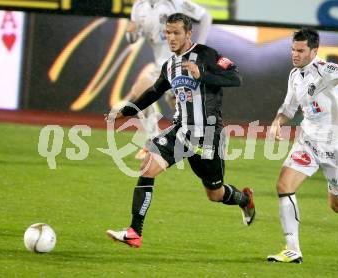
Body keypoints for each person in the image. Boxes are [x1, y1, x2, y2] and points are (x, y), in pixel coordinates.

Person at [105, 13, 255, 248]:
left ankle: (244, 199)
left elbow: (236, 78)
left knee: (214, 193)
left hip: (207, 136)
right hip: (181, 132)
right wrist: (128, 110)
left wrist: (203, 74)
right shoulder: (169, 65)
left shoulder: (206, 54)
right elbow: (154, 92)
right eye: (168, 33)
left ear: (188, 33)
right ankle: (135, 232)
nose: (171, 38)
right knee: (147, 168)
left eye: (176, 33)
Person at [266, 27, 338, 263]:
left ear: (314, 51)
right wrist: (277, 122)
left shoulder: (325, 70)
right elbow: (289, 108)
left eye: (301, 50)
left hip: (337, 146)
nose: (295, 54)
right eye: (293, 49)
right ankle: (292, 249)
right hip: (308, 142)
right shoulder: (294, 75)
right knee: (283, 185)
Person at [123, 0, 212, 159]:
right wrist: (131, 32)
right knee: (140, 94)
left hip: (179, 63)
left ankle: (207, 143)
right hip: (161, 66)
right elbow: (133, 37)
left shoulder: (175, 2)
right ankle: (153, 141)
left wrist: (200, 48)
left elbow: (206, 16)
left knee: (180, 107)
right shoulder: (139, 6)